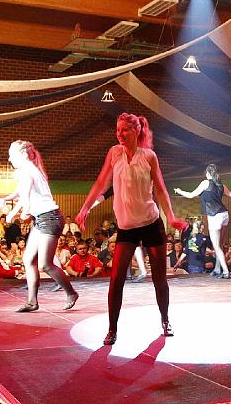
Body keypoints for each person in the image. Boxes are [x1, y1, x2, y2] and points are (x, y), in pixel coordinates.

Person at [76, 113, 186, 346]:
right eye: (118, 130)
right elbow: (101, 183)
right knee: (116, 279)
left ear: (136, 131)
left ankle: (165, 320)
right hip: (127, 228)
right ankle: (112, 329)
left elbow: (161, 189)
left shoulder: (149, 156)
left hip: (151, 223)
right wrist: (85, 208)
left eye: (125, 130)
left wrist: (171, 217)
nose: (120, 134)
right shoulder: (114, 153)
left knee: (159, 279)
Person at [0, 140, 78, 312]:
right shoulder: (28, 170)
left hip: (50, 218)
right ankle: (31, 302)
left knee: (45, 265)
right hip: (42, 219)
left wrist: (22, 212)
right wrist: (8, 201)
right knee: (28, 260)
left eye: (11, 155)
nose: (9, 159)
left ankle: (71, 293)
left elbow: (25, 196)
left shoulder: (27, 171)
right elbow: (21, 192)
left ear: (22, 155)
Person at [174, 164, 231, 278]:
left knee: (216, 246)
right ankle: (217, 269)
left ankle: (225, 271)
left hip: (214, 216)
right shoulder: (221, 185)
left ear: (207, 173)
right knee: (219, 244)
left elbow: (191, 195)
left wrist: (180, 191)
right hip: (224, 215)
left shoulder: (205, 183)